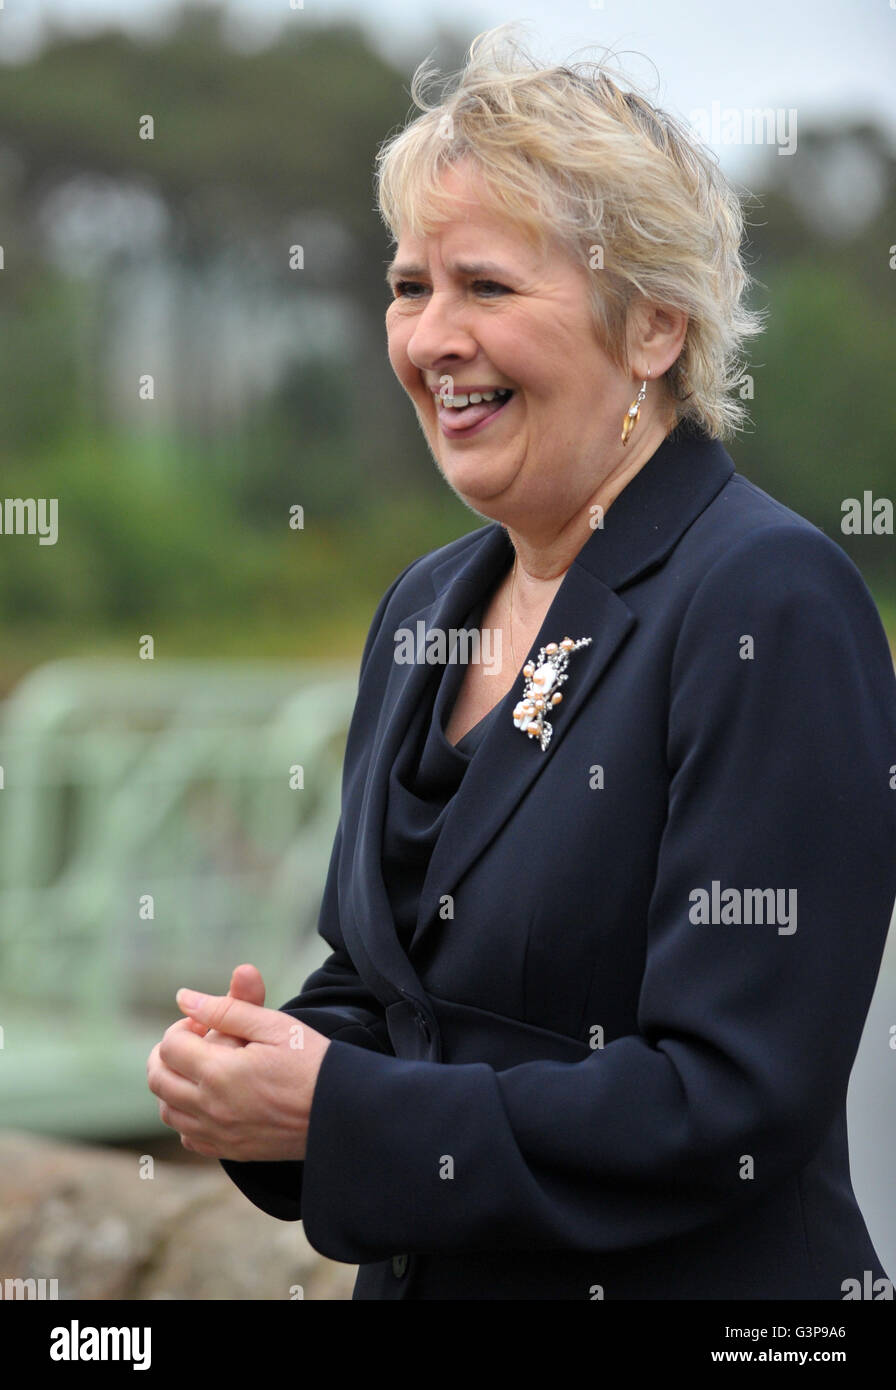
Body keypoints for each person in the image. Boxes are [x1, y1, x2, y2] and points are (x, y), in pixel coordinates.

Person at [147, 26, 896, 1300]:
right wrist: (262, 1067)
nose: (432, 338)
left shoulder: (766, 598)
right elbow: (390, 995)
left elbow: (731, 1103)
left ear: (652, 327)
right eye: (408, 286)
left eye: (486, 288)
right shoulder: (427, 601)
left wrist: (339, 1108)